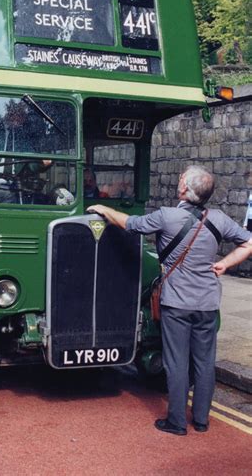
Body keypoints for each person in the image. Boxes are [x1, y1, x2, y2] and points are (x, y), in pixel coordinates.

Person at [87, 165, 252, 436]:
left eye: (182, 178)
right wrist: (224, 264)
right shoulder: (220, 219)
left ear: (185, 188)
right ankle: (201, 420)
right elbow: (248, 243)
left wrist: (104, 210)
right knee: (204, 362)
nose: (179, 180)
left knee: (176, 362)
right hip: (208, 302)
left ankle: (176, 422)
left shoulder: (167, 216)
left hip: (177, 302)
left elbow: (130, 224)